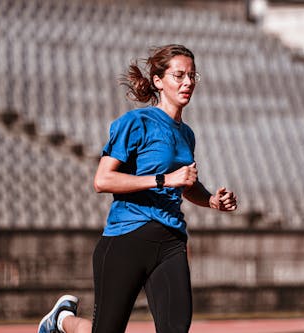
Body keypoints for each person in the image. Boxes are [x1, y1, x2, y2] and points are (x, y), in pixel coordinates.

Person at [38, 44, 238, 333]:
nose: (188, 83)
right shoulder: (136, 122)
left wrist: (211, 201)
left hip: (171, 241)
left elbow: (186, 184)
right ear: (158, 81)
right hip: (127, 238)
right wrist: (163, 179)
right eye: (179, 75)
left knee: (176, 328)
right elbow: (102, 180)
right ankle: (62, 321)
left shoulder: (186, 133)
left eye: (192, 76)